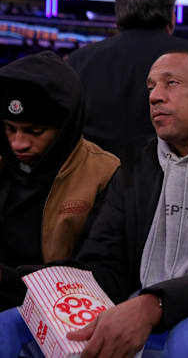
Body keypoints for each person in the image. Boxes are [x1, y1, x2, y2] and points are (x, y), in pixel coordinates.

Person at [0, 45, 188, 358]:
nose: (155, 96)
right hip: (135, 306)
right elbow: (104, 265)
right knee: (11, 323)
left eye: (170, 83)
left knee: (187, 339)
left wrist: (157, 304)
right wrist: (57, 297)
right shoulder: (138, 165)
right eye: (151, 87)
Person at [0, 52, 120, 311]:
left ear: (65, 127)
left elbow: (99, 273)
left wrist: (8, 279)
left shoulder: (103, 173)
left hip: (53, 307)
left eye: (35, 131)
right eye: (9, 128)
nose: (18, 143)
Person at [67, 0, 188, 160]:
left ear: (119, 11)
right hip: (175, 181)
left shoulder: (78, 61)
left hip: (99, 181)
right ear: (171, 13)